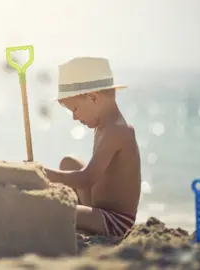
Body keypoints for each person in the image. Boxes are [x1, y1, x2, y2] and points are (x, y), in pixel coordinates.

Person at [43, 57, 141, 237]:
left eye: (75, 109)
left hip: (114, 220)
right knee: (69, 162)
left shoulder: (118, 131)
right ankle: (82, 213)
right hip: (98, 208)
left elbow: (87, 179)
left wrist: (44, 174)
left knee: (58, 211)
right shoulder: (102, 126)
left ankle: (78, 215)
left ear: (93, 98)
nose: (74, 117)